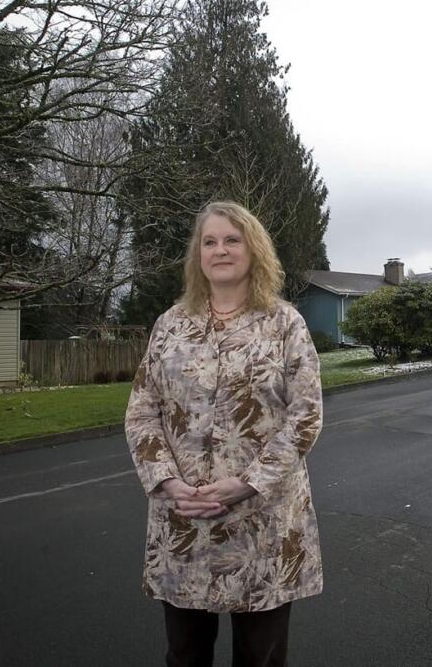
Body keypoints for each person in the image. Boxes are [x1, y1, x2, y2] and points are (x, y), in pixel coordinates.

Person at [125, 201, 323, 667]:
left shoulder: (284, 324)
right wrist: (169, 483)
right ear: (198, 255)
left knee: (261, 657)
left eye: (232, 240)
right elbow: (142, 412)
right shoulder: (170, 326)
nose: (220, 250)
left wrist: (247, 482)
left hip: (263, 519)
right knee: (185, 653)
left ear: (253, 250)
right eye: (209, 242)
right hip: (184, 522)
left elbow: (305, 416)